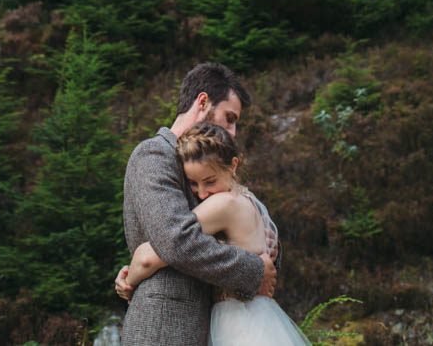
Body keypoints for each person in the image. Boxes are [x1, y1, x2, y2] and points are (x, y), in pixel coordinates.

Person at [116, 62, 277, 346]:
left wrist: (262, 262)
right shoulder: (154, 155)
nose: (233, 130)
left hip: (211, 325)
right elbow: (176, 239)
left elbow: (257, 234)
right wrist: (252, 270)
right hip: (164, 326)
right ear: (203, 102)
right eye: (229, 118)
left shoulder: (214, 169)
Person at [127, 122, 311, 346]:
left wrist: (128, 282)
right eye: (193, 184)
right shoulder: (249, 200)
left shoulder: (223, 204)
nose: (203, 193)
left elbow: (154, 253)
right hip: (260, 317)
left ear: (233, 165)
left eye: (210, 181)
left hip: (236, 323)